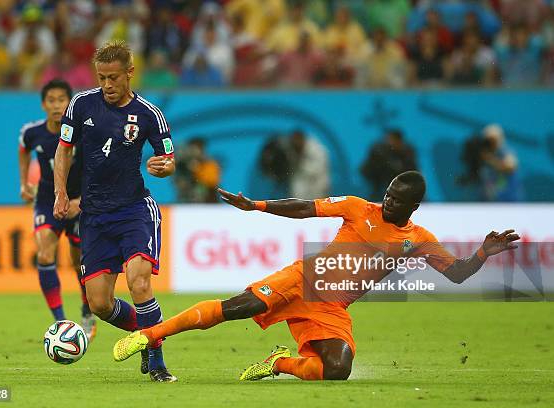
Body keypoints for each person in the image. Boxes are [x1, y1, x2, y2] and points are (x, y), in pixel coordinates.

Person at [112, 171, 520, 381]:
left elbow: (458, 275)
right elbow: (305, 207)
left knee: (338, 371)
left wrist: (483, 252)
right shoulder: (360, 207)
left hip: (332, 308)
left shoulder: (420, 239)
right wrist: (256, 205)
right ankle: (147, 336)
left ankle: (279, 364)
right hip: (305, 278)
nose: (388, 200)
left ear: (414, 205)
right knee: (239, 307)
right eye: (388, 193)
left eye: (397, 199)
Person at [52, 40, 177, 382]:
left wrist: (163, 168)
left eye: (113, 77)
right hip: (94, 216)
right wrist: (60, 193)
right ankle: (149, 331)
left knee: (139, 284)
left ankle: (156, 360)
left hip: (135, 210)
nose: (107, 84)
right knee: (100, 305)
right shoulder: (81, 105)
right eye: (101, 77)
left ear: (129, 74)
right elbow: (63, 151)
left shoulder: (150, 114)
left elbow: (168, 159)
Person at [18, 79, 96, 339]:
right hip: (46, 200)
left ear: (69, 103)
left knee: (79, 263)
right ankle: (62, 323)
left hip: (77, 202)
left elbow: (96, 170)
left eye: (61, 100)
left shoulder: (83, 133)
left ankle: (87, 310)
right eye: (50, 100)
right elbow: (23, 148)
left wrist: (81, 201)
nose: (56, 105)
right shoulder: (33, 132)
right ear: (43, 104)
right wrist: (23, 184)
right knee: (44, 253)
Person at [361, 129, 417, 201]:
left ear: (400, 140)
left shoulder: (407, 151)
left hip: (395, 180)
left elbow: (411, 170)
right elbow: (371, 169)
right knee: (377, 194)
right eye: (389, 139)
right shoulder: (380, 151)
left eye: (393, 140)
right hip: (377, 178)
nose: (391, 142)